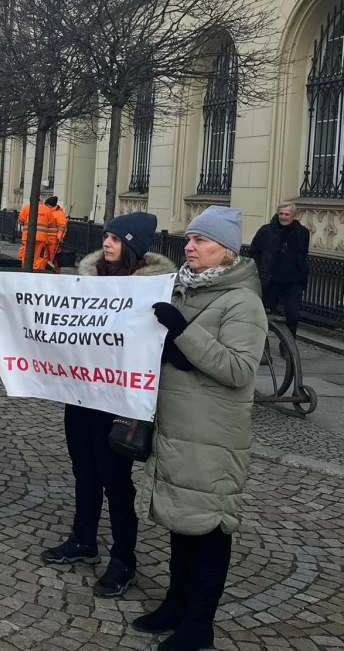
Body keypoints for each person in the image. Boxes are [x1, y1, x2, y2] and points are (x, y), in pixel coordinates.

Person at [133, 207, 266, 650]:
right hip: (178, 427)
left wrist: (183, 332)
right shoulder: (187, 291)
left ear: (226, 251)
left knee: (208, 529)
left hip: (213, 435)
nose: (188, 247)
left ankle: (199, 625)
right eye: (188, 240)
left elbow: (239, 368)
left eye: (200, 241)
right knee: (179, 520)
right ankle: (176, 604)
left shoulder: (242, 301)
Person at [24, 213, 175, 597]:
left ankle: (124, 560)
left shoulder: (152, 288)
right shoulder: (87, 281)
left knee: (116, 482)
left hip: (120, 402)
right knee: (83, 471)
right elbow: (56, 321)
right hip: (81, 397)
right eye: (106, 236)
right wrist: (8, 305)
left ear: (133, 245)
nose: (106, 243)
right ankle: (83, 539)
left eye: (115, 238)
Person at [250, 203, 310, 336]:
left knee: (293, 316)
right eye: (281, 214)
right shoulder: (266, 231)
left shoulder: (303, 232)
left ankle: (287, 349)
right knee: (264, 316)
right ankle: (259, 344)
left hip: (293, 281)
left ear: (294, 216)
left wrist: (302, 273)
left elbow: (303, 254)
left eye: (287, 214)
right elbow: (254, 252)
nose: (283, 217)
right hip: (270, 281)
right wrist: (261, 270)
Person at [18, 195, 67, 272]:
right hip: (42, 238)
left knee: (26, 254)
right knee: (40, 256)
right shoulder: (47, 210)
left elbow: (20, 221)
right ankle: (37, 270)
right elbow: (50, 224)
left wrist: (59, 237)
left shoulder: (26, 208)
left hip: (28, 237)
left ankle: (26, 269)